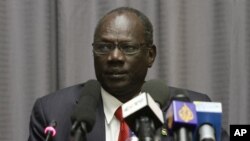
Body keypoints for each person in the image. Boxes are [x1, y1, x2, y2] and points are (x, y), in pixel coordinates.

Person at [28, 7, 229, 141]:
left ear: (150, 55)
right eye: (104, 46)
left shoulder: (189, 108)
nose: (114, 57)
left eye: (128, 47)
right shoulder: (52, 112)